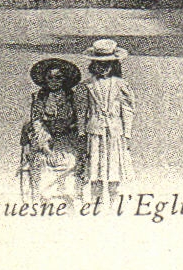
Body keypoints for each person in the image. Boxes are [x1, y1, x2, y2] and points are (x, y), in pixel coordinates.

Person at [19, 58, 84, 205]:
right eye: (50, 77)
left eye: (58, 77)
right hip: (46, 137)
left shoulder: (72, 98)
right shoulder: (39, 98)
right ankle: (42, 198)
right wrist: (45, 143)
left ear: (64, 79)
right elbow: (37, 121)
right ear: (45, 79)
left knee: (72, 160)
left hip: (68, 137)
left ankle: (71, 196)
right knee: (41, 160)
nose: (54, 81)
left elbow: (78, 120)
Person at [78, 39, 134, 203]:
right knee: (95, 168)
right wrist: (82, 131)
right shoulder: (87, 86)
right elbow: (81, 110)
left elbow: (128, 109)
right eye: (98, 64)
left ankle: (114, 203)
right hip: (95, 131)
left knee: (114, 169)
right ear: (93, 65)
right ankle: (97, 202)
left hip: (115, 132)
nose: (102, 67)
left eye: (107, 64)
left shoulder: (121, 84)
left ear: (114, 64)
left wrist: (127, 133)